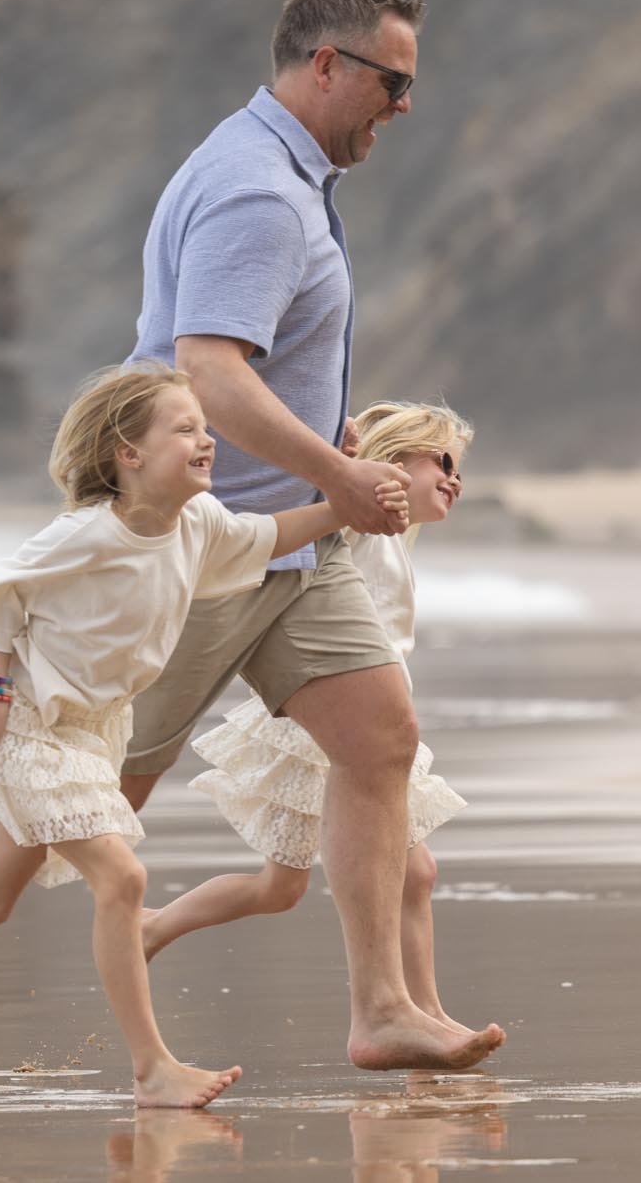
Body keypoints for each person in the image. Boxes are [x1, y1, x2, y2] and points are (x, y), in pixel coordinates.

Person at [0, 0, 500, 1076]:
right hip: (192, 553)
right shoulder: (256, 193)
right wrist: (336, 477)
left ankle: (382, 1006)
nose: (402, 106)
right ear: (325, 65)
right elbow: (211, 370)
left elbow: (252, 373)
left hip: (286, 543)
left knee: (378, 742)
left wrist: (320, 491)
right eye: (390, 82)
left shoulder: (281, 175)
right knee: (56, 812)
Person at [0, 361, 408, 1108]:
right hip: (31, 726)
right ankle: (151, 1068)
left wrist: (344, 506)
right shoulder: (88, 533)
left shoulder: (196, 527)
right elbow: (0, 592)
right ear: (129, 453)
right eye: (186, 429)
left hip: (90, 737)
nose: (206, 440)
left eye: (205, 427)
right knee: (122, 879)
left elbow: (266, 536)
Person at [140, 401, 489, 1047]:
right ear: (395, 456)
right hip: (326, 726)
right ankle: (422, 1015)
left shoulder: (398, 536)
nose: (454, 482)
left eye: (460, 474)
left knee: (284, 887)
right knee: (404, 874)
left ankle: (155, 927)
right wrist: (347, 457)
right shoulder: (353, 520)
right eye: (442, 462)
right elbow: (323, 494)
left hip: (368, 726)